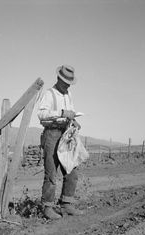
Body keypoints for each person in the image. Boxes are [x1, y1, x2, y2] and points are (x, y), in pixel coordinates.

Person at [37, 64, 83, 219]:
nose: (68, 85)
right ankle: (47, 207)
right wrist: (62, 113)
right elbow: (41, 114)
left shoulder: (68, 94)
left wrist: (73, 121)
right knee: (51, 172)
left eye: (70, 83)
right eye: (65, 82)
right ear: (58, 79)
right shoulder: (49, 94)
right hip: (52, 134)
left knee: (71, 170)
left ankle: (66, 204)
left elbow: (71, 113)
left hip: (66, 134)